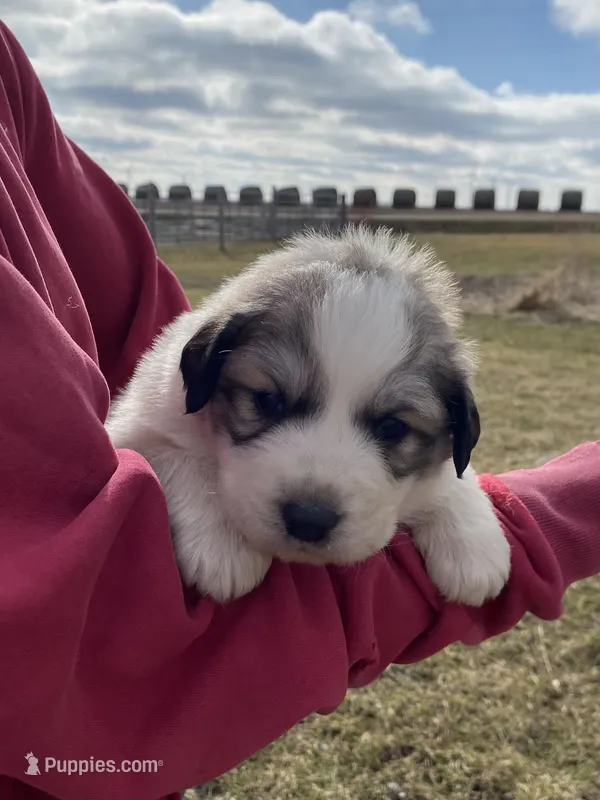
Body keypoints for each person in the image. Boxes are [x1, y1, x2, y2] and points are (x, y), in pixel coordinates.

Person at [0, 19, 598, 800]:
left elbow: (438, 463)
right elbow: (132, 437)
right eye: (268, 402)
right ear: (206, 362)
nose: (314, 487)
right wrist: (186, 484)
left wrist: (457, 505)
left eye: (391, 429)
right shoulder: (185, 369)